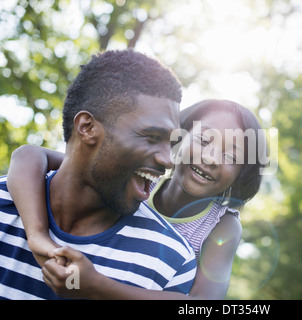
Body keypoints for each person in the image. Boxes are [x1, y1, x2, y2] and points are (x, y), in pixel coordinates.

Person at [7, 99, 267, 299]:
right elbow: (29, 155)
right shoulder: (138, 177)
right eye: (203, 140)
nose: (210, 158)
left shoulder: (223, 226)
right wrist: (38, 234)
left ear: (242, 176)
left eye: (231, 157)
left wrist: (97, 286)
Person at [0, 49, 197, 300]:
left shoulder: (171, 260)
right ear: (87, 127)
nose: (168, 160)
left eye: (170, 143)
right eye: (151, 137)